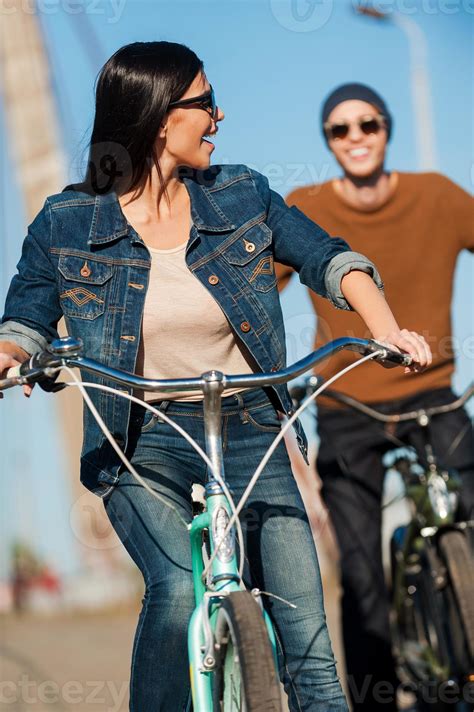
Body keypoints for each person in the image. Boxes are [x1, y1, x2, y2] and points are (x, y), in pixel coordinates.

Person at [0, 49, 431, 712]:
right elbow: (25, 317)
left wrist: (386, 329)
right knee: (175, 588)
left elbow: (329, 259)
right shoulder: (67, 222)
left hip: (252, 431)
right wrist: (13, 356)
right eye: (205, 102)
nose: (218, 115)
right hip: (137, 443)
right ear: (158, 118)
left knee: (309, 644)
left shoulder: (242, 193)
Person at [276, 82, 474, 711]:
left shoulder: (438, 195)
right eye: (340, 130)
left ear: (387, 130)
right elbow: (247, 288)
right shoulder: (303, 207)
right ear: (328, 142)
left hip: (435, 397)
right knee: (360, 577)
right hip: (347, 407)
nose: (356, 137)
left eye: (369, 124)